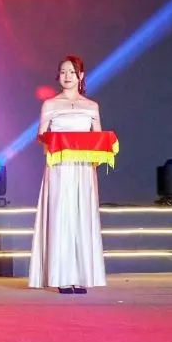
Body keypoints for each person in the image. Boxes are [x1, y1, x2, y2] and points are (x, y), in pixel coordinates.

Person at [28, 55, 107, 294]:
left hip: (84, 168)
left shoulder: (91, 106)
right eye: (63, 72)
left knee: (82, 218)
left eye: (72, 72)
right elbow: (41, 136)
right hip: (60, 167)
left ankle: (81, 277)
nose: (67, 76)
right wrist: (56, 142)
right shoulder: (50, 105)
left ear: (81, 76)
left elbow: (98, 139)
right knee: (60, 216)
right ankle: (61, 276)